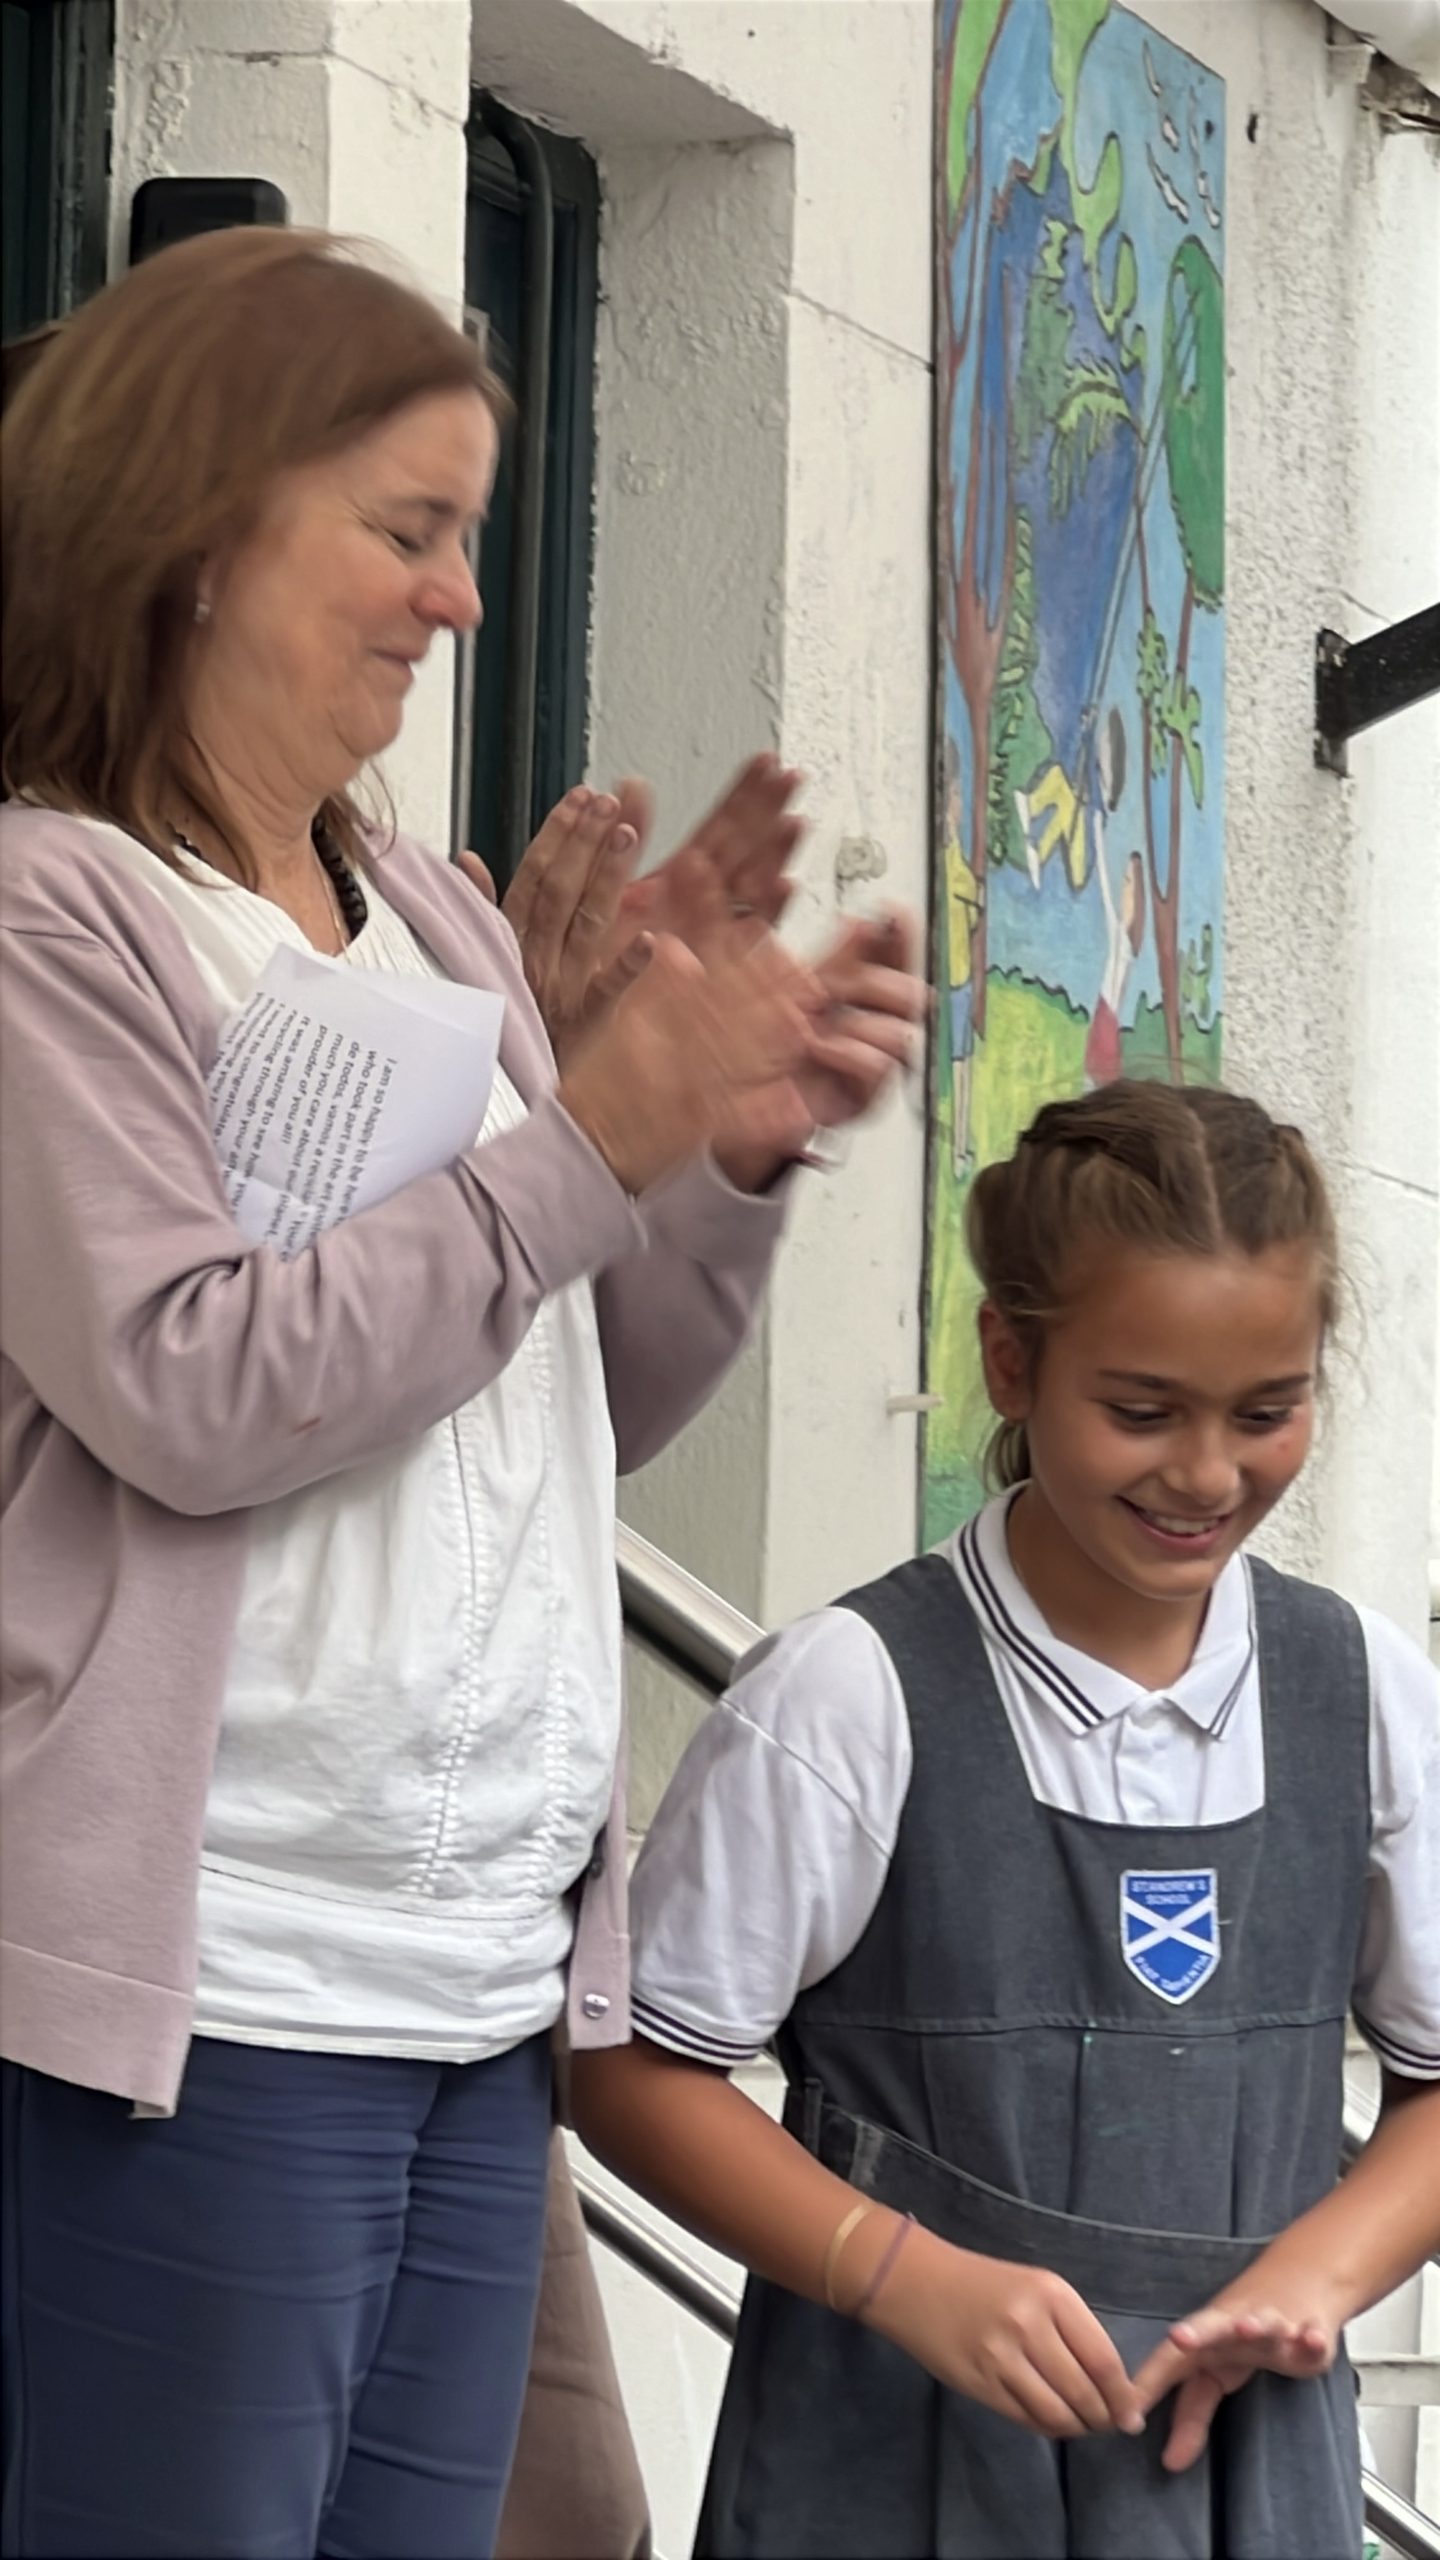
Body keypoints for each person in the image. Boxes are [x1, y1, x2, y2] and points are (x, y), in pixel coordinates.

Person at [0, 226, 926, 2560]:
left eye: (471, 532)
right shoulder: (53, 911)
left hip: (469, 1981)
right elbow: (192, 1381)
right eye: (408, 528)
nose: (461, 598)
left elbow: (572, 1392)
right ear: (195, 524)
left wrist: (716, 1159)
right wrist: (589, 1130)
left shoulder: (425, 912)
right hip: (215, 1977)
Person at [575, 1080, 1440, 2559]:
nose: (1207, 1472)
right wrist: (893, 2271)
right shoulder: (848, 1694)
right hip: (887, 2470)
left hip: (1246, 2475)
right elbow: (629, 2073)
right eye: (1141, 1411)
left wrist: (1318, 2277)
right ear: (1010, 1361)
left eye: (1266, 1412)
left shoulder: (1362, 1693)